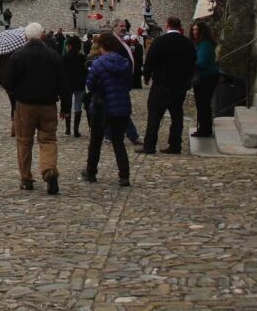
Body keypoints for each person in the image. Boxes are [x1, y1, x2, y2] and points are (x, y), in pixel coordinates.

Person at [3, 22, 64, 193]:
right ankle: (49, 169)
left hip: (25, 105)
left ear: (25, 37)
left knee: (24, 142)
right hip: (48, 105)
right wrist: (65, 106)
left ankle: (26, 178)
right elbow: (63, 82)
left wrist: (15, 97)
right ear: (43, 36)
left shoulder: (17, 56)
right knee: (48, 140)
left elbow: (7, 82)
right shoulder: (53, 55)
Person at [80, 33, 133, 187]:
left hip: (101, 106)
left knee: (96, 141)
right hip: (121, 105)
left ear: (102, 46)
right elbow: (129, 83)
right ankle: (124, 175)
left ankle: (91, 172)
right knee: (118, 141)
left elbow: (90, 85)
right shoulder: (124, 63)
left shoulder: (98, 64)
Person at [142, 16, 197, 155]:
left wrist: (146, 76)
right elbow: (192, 64)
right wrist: (188, 81)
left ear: (167, 25)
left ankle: (149, 145)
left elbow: (150, 60)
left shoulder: (159, 42)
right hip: (179, 85)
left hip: (161, 84)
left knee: (154, 115)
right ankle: (175, 144)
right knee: (177, 116)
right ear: (179, 26)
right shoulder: (187, 43)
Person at [191, 21, 220, 137]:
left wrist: (190, 62)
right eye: (193, 30)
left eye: (197, 30)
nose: (194, 32)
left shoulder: (205, 45)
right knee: (203, 104)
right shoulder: (202, 44)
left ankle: (204, 129)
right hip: (206, 77)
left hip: (206, 78)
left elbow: (202, 63)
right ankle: (204, 127)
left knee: (203, 104)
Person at [62, 37, 87, 137]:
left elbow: (62, 73)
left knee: (67, 105)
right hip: (79, 84)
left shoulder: (64, 58)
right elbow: (85, 71)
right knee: (78, 106)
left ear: (70, 46)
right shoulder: (81, 57)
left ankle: (68, 129)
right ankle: (76, 130)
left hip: (68, 85)